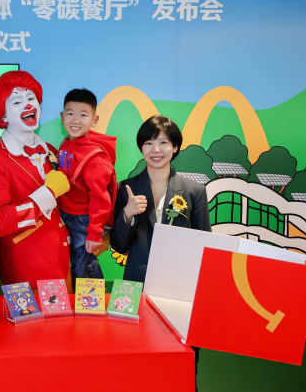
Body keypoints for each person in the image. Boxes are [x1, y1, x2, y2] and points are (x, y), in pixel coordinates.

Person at [110, 115, 211, 391]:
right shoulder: (126, 189)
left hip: (180, 294)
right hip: (136, 290)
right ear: (141, 148)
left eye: (164, 142)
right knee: (138, 366)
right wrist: (127, 214)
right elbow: (118, 246)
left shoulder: (194, 191)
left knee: (181, 366)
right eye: (148, 143)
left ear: (175, 147)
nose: (156, 149)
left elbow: (204, 246)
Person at [0, 70, 71, 289]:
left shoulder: (49, 150)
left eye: (31, 98)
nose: (28, 105)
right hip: (25, 270)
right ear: (3, 116)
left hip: (62, 263)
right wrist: (48, 193)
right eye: (17, 101)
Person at [57, 88, 117, 281]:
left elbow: (101, 198)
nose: (75, 120)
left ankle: (93, 299)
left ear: (94, 120)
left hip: (83, 220)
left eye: (83, 115)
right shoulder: (67, 143)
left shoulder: (95, 157)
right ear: (62, 117)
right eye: (70, 114)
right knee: (70, 265)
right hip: (64, 214)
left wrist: (94, 233)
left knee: (84, 266)